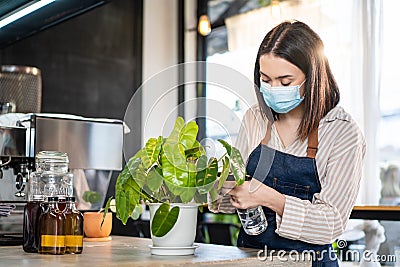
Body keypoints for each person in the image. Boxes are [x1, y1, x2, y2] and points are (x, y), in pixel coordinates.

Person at [212, 20, 366, 267]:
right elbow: (230, 201)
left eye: (285, 82)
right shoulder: (255, 118)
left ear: (313, 76)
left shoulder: (342, 131)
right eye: (266, 79)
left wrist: (271, 198)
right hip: (251, 259)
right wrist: (218, 189)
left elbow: (331, 224)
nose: (274, 89)